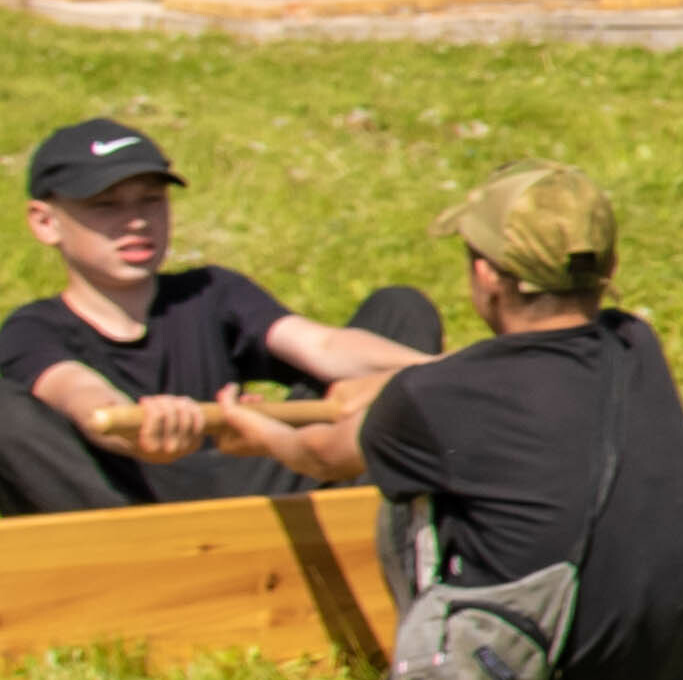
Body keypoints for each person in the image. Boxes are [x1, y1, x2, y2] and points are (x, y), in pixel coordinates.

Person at [359, 163, 683, 680]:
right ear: (608, 269)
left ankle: (432, 678)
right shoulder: (636, 347)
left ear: (486, 276)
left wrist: (261, 434)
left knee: (402, 494)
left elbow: (333, 454)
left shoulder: (428, 397)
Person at [3, 118, 442, 514]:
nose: (136, 221)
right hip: (128, 498)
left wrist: (444, 371)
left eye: (151, 201)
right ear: (46, 223)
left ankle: (379, 512)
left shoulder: (211, 291)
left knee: (400, 310)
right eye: (106, 206)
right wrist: (147, 431)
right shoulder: (32, 329)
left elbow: (321, 346)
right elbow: (87, 401)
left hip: (253, 475)